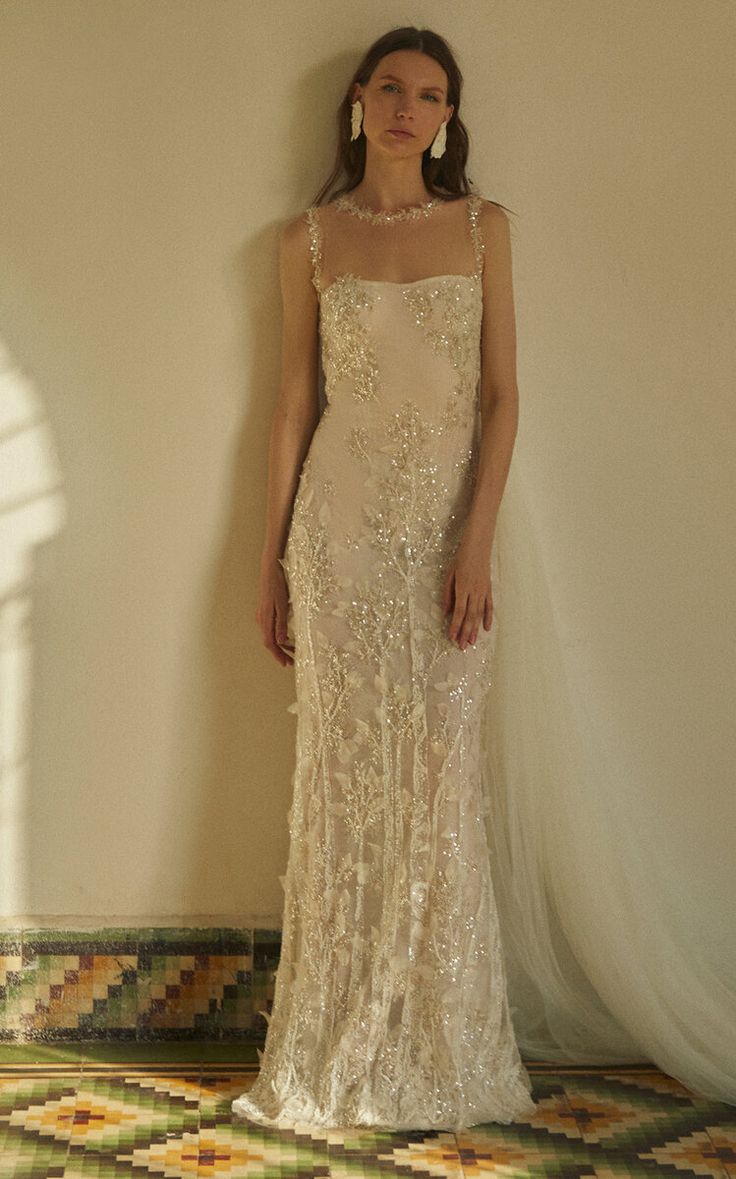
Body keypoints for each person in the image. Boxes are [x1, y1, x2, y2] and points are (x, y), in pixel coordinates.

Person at [232, 25, 538, 1132]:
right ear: (359, 100)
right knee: (346, 789)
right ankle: (338, 1034)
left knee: (437, 783)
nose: (411, 109)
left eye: (432, 95)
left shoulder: (483, 227)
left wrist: (475, 541)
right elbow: (289, 409)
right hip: (338, 538)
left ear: (449, 116)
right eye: (393, 89)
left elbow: (503, 400)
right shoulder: (306, 239)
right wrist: (272, 563)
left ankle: (440, 1043)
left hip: (444, 540)